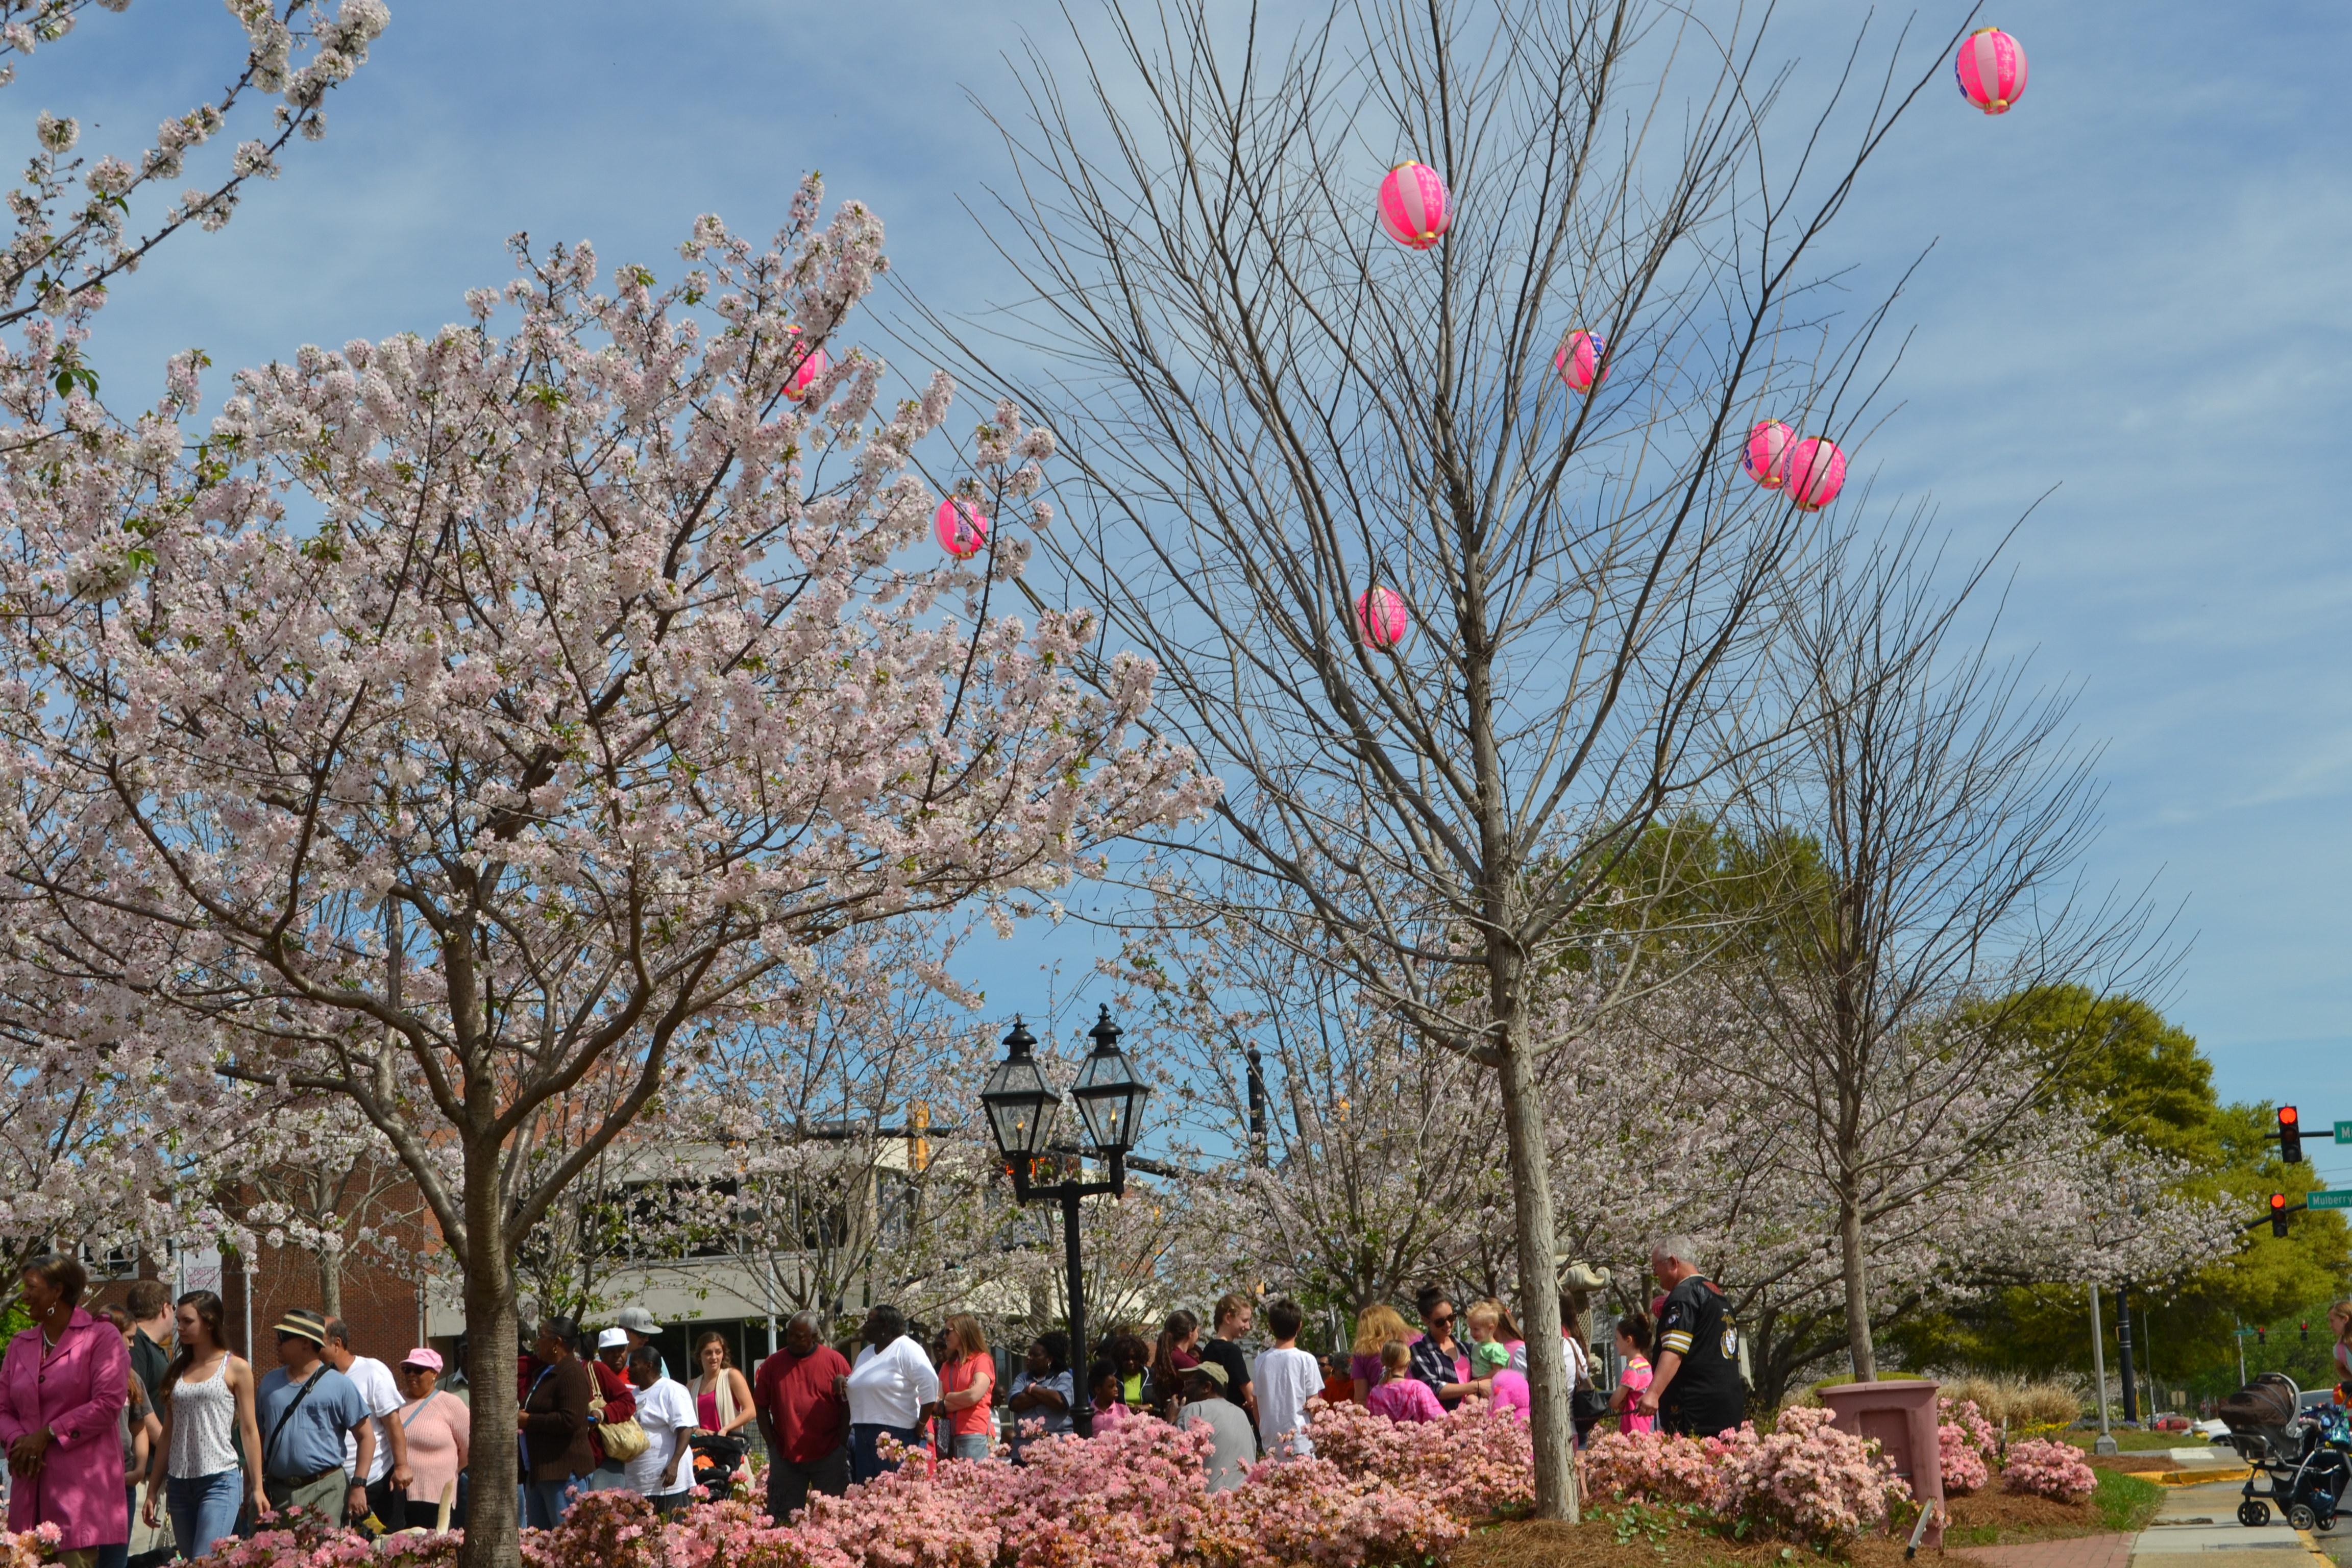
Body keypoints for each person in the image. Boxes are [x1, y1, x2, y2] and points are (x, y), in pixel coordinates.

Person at [0, 1254, 130, 1568]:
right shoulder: (20, 1344)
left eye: (31, 1287)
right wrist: (20, 1441)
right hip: (28, 1492)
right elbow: (2, 1408)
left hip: (78, 1497)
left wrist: (46, 1435)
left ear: (58, 1290)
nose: (24, 1296)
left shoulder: (101, 1337)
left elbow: (108, 1403)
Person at [143, 1290, 262, 1559]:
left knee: (203, 1561)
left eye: (188, 1321)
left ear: (209, 1323)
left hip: (219, 1480)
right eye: (179, 1321)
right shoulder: (178, 1369)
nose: (180, 1328)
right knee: (189, 1562)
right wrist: (153, 1490)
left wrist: (257, 1487)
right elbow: (168, 1434)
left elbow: (249, 1430)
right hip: (179, 1484)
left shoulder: (236, 1368)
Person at [253, 1308, 373, 1526]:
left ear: (306, 1343)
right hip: (275, 1495)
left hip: (325, 1492)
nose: (277, 1342)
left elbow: (366, 1437)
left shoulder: (341, 1385)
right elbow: (256, 1439)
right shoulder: (268, 1384)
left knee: (322, 1550)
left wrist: (358, 1486)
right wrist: (252, 1489)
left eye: (283, 1337)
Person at [1636, 1236, 1746, 1439]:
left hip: (1694, 1410)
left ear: (1673, 1262)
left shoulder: (1684, 1296)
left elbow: (1674, 1350)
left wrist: (1653, 1393)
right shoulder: (1718, 1295)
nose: (1655, 1274)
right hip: (1728, 1407)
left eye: (1656, 1267)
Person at [751, 1311, 849, 1522]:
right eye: (790, 1334)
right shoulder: (772, 1364)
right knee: (783, 1521)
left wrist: (841, 1445)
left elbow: (849, 1406)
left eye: (800, 1336)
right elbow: (760, 1406)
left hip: (829, 1455)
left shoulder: (835, 1362)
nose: (793, 1340)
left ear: (814, 1336)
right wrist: (772, 1447)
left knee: (833, 1520)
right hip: (786, 1457)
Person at [320, 1317, 410, 1532]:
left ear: (337, 1343)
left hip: (376, 1482)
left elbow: (393, 1421)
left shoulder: (372, 1371)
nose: (311, 1346)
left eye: (318, 1341)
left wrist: (401, 1466)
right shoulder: (316, 1378)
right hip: (333, 1486)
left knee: (384, 1545)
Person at [839, 1306, 937, 1483]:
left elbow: (930, 1383)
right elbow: (860, 1385)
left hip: (896, 1433)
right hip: (863, 1432)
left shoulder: (907, 1348)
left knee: (896, 1488)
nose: (864, 1326)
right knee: (869, 1490)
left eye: (869, 1322)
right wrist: (843, 1381)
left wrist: (922, 1423)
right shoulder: (866, 1353)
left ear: (885, 1326)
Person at [518, 1317, 594, 1528]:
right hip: (539, 1472)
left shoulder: (572, 1374)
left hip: (564, 1475)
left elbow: (570, 1420)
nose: (537, 1342)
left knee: (566, 1538)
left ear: (556, 1342)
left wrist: (529, 1420)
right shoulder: (545, 1372)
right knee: (540, 1542)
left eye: (541, 1337)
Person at [98, 1332, 159, 1568]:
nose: (133, 1343)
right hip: (92, 1484)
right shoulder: (83, 1372)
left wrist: (140, 1470)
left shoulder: (131, 1377)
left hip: (124, 1481)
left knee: (115, 1562)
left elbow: (140, 1428)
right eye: (129, 1336)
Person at [392, 1351, 468, 1530]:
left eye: (418, 1370)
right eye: (407, 1370)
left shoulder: (451, 1404)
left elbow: (468, 1448)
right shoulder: (393, 1402)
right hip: (396, 1497)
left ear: (434, 1374)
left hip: (436, 1498)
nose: (411, 1374)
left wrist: (448, 1470)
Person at [623, 1347, 694, 1516]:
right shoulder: (631, 1396)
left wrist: (674, 1464)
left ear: (649, 1366)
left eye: (633, 1365)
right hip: (639, 1484)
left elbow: (686, 1429)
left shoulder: (672, 1390)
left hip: (667, 1483)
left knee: (672, 1530)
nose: (628, 1370)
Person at [1250, 1299, 1321, 1460]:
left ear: (1271, 1326)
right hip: (1302, 1442)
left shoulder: (1261, 1361)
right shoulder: (1307, 1360)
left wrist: (1265, 1433)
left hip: (1271, 1442)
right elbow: (1314, 1406)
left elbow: (1257, 1407)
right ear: (1300, 1326)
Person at [1173, 1363, 1251, 1491]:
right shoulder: (1241, 1414)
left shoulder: (1194, 1409)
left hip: (1205, 1500)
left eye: (1189, 1384)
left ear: (1207, 1387)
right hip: (1241, 1498)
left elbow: (1173, 1460)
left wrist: (1172, 1420)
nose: (1184, 1390)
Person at [578, 1329, 639, 1494]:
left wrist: (602, 1413)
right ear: (601, 1352)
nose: (617, 1355)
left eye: (621, 1350)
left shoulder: (596, 1369)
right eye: (611, 1351)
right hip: (582, 1457)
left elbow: (628, 1402)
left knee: (605, 1505)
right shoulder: (586, 1369)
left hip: (607, 1453)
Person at [1406, 1288, 1477, 1410]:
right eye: (1440, 1322)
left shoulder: (1466, 1348)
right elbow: (1433, 1387)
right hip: (1443, 1418)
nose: (1448, 1324)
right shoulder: (1419, 1351)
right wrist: (1476, 1386)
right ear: (1425, 1320)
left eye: (1451, 1317)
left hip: (1474, 1417)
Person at [936, 1316, 994, 1461]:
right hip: (947, 1436)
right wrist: (964, 1399)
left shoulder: (982, 1360)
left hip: (974, 1435)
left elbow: (973, 1396)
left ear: (962, 1331)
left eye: (948, 1331)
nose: (945, 1337)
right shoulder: (946, 1366)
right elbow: (936, 1403)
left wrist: (948, 1397)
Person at [1004, 1335, 1072, 1457]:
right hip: (1024, 1451)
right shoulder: (1023, 1378)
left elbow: (1060, 1401)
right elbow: (1014, 1403)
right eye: (1029, 1354)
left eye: (1035, 1355)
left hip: (1057, 1450)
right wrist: (1047, 1395)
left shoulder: (1064, 1378)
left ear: (1050, 1359)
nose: (1029, 1358)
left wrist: (1031, 1390)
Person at [1199, 1295, 1255, 1425]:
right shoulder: (1231, 1351)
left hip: (1212, 1418)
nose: (1248, 1327)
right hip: (1233, 1420)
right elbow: (1251, 1395)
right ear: (1228, 1318)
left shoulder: (1208, 1349)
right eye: (1244, 1320)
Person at [687, 1333, 754, 1441]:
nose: (714, 1357)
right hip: (701, 1447)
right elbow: (683, 1421)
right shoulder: (691, 1386)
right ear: (699, 1356)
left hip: (729, 1445)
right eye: (708, 1353)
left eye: (718, 1352)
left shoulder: (732, 1376)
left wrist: (726, 1429)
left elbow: (751, 1411)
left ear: (723, 1354)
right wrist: (696, 1431)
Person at [122, 1285, 173, 1422]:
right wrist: (161, 1435)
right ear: (165, 1309)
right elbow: (137, 1402)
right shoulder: (136, 1343)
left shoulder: (147, 1345)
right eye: (173, 1308)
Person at [1366, 1340, 1444, 1425]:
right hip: (1418, 1433)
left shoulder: (1375, 1393)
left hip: (1386, 1433)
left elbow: (1371, 1424)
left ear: (1383, 1363)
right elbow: (1439, 1418)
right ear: (1408, 1363)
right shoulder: (1418, 1389)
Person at [1348, 1306, 1409, 1406]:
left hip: (1382, 1408)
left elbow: (1361, 1399)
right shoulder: (1410, 1343)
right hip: (1412, 1404)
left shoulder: (1363, 1353)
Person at [1609, 1311, 1655, 1435]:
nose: (1615, 1344)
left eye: (1617, 1339)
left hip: (1634, 1429)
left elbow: (1614, 1402)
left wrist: (1619, 1402)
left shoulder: (1632, 1368)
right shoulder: (1646, 1365)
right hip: (1648, 1427)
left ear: (1629, 1340)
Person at [1148, 1311, 1199, 1419]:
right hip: (1182, 1416)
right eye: (1197, 1331)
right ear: (1190, 1333)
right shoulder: (1186, 1362)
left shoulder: (1167, 1355)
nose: (1198, 1335)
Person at [1106, 1334, 1155, 1416]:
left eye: (1134, 1357)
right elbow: (1105, 1404)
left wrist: (1149, 1406)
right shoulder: (1113, 1378)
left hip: (1150, 1421)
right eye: (1126, 1358)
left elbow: (1162, 1403)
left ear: (1140, 1357)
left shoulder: (1152, 1375)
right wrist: (1122, 1409)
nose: (1131, 1362)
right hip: (1120, 1421)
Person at [614, 1309, 667, 1382]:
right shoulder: (604, 1360)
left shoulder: (656, 1360)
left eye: (648, 1334)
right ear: (625, 1332)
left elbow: (665, 1386)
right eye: (642, 1334)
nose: (647, 1339)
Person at [1083, 1361, 1123, 1435]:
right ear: (1098, 1390)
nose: (1116, 1389)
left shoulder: (1123, 1410)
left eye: (1116, 1385)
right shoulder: (1088, 1414)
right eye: (1111, 1387)